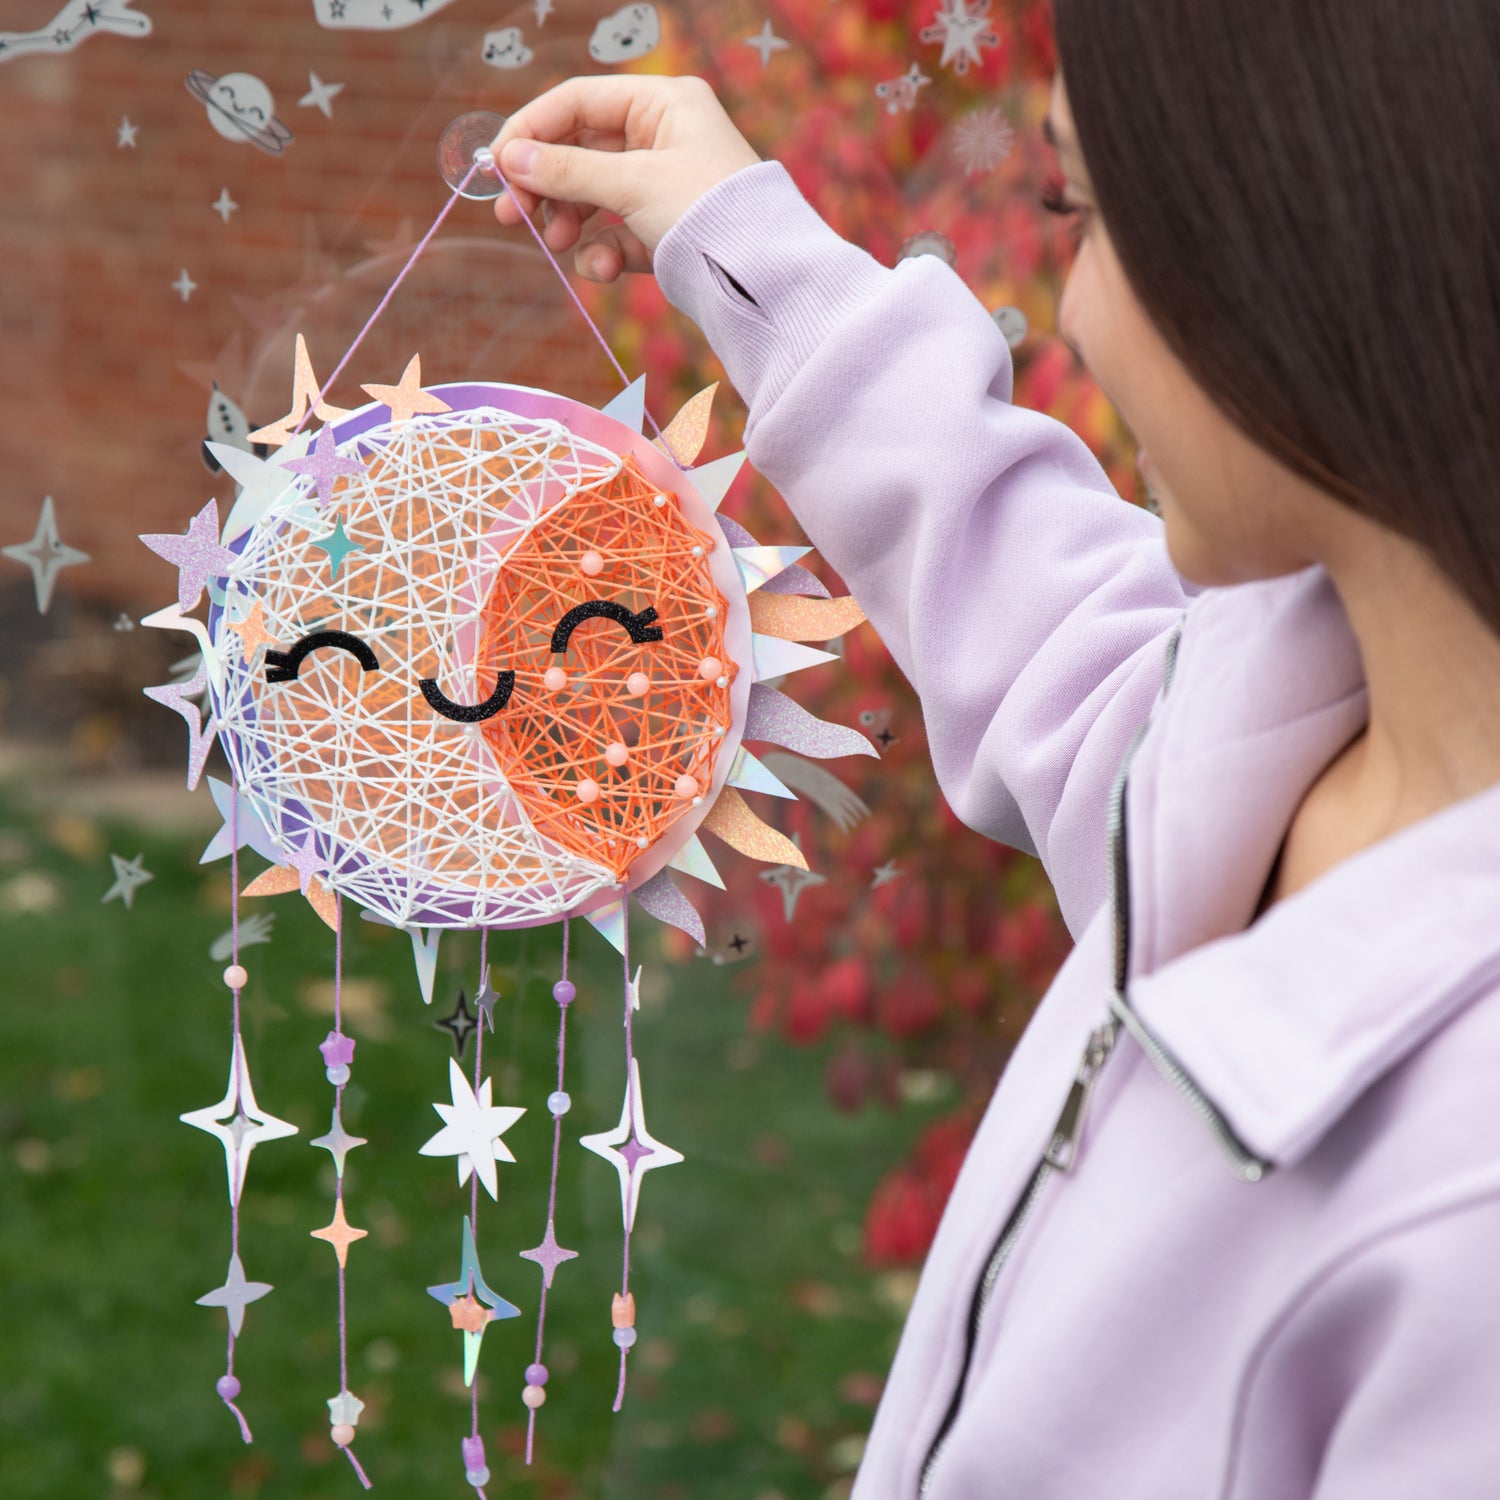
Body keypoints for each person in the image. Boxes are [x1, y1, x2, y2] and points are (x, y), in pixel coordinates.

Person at [488, 3, 1500, 1494]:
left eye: (1079, 208)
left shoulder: (1464, 1218)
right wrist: (746, 247)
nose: (1070, 313)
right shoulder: (1296, 716)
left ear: (1317, 237)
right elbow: (1060, 631)